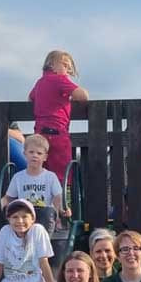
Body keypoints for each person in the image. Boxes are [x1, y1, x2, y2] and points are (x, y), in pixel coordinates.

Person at [30, 50, 89, 183]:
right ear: (52, 65)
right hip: (57, 133)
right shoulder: (59, 79)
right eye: (65, 65)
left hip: (39, 134)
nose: (67, 70)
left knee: (41, 174)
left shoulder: (40, 82)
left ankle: (41, 201)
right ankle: (62, 202)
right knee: (62, 175)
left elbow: (30, 98)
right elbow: (82, 96)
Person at [2, 133, 67, 234]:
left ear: (45, 157)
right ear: (24, 154)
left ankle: (42, 241)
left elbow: (57, 197)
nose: (35, 156)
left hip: (43, 213)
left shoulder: (50, 177)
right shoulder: (18, 177)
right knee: (15, 213)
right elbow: (9, 197)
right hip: (25, 214)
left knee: (48, 212)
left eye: (39, 153)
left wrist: (61, 209)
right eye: (31, 152)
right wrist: (1, 203)